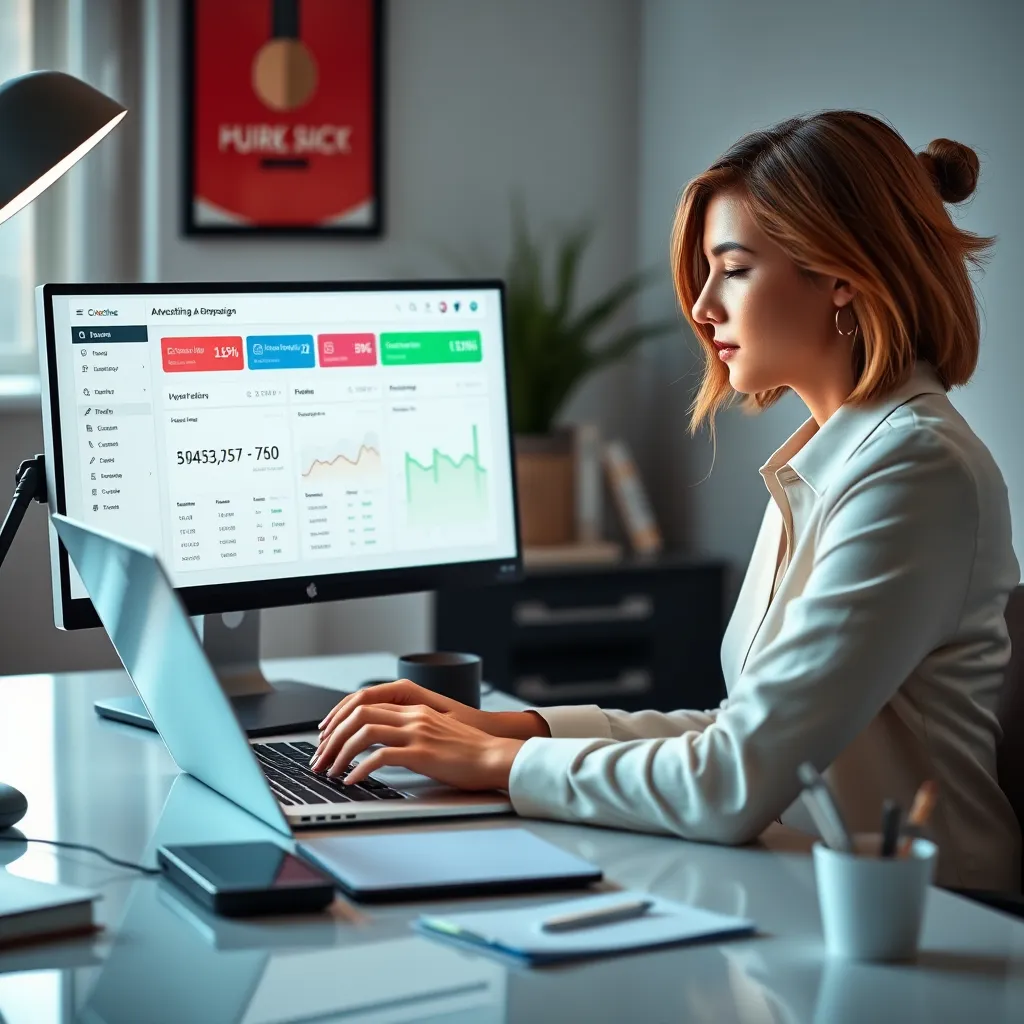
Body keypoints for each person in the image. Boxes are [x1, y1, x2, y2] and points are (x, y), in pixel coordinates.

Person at [313, 110, 1021, 891]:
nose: (702, 305)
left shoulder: (914, 469)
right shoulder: (839, 456)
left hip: (932, 924)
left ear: (842, 274)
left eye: (736, 268)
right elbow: (747, 735)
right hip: (811, 885)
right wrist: (515, 726)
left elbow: (732, 780)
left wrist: (498, 762)